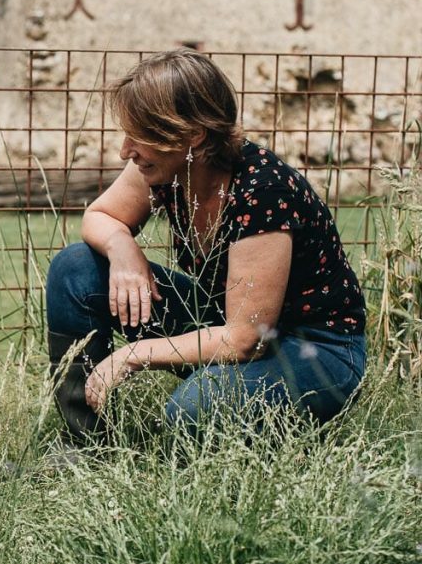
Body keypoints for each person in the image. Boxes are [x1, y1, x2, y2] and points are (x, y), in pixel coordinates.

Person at [45, 48, 367, 441]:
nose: (125, 151)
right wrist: (123, 249)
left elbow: (245, 339)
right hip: (222, 317)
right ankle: (85, 444)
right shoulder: (164, 166)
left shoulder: (263, 191)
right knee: (77, 268)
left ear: (193, 136)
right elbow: (102, 216)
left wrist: (134, 354)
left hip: (313, 349)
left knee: (194, 408)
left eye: (141, 135)